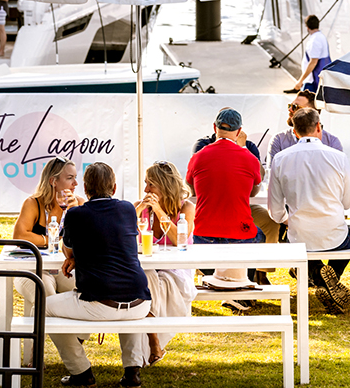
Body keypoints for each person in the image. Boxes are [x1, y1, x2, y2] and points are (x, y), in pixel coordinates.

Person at [47, 162, 151, 388]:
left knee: (42, 309)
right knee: (128, 298)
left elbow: (67, 248)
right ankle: (132, 372)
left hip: (100, 303)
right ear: (113, 188)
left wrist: (73, 256)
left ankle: (81, 371)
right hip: (141, 301)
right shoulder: (127, 209)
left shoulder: (76, 214)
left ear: (85, 188)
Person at [268, 107, 350, 313]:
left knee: (299, 243)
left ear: (295, 132)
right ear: (318, 127)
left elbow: (275, 211)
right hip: (335, 236)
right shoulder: (338, 157)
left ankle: (317, 276)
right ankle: (328, 280)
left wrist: (289, 220)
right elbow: (347, 203)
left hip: (299, 237)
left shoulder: (280, 159)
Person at [12, 157, 84, 365]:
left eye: (75, 178)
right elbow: (19, 236)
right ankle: (75, 363)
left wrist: (74, 214)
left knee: (87, 289)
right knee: (47, 296)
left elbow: (90, 236)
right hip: (33, 271)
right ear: (53, 181)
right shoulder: (33, 203)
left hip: (63, 270)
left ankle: (77, 339)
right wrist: (51, 240)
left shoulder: (78, 204)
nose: (75, 184)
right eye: (70, 178)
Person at [132, 161, 197, 366]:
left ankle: (150, 344)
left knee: (148, 282)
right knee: (146, 278)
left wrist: (159, 211)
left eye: (150, 184)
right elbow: (120, 230)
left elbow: (179, 240)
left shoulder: (186, 207)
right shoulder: (140, 208)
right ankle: (153, 341)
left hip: (176, 270)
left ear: (164, 186)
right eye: (145, 184)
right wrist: (140, 209)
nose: (145, 190)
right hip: (149, 269)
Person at [185, 108, 263, 244]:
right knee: (261, 236)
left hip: (203, 233)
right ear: (239, 132)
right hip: (240, 233)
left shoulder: (197, 156)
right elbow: (253, 192)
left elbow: (191, 189)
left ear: (215, 127)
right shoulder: (250, 158)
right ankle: (251, 266)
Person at [269, 90, 343, 161]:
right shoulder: (279, 140)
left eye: (295, 107)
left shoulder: (332, 142)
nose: (290, 109)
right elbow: (272, 172)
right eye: (290, 106)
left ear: (311, 113)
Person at [289, 14, 331, 94]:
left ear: (307, 27)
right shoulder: (321, 37)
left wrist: (300, 81)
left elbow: (313, 62)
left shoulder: (314, 40)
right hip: (317, 78)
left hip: (312, 81)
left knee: (302, 104)